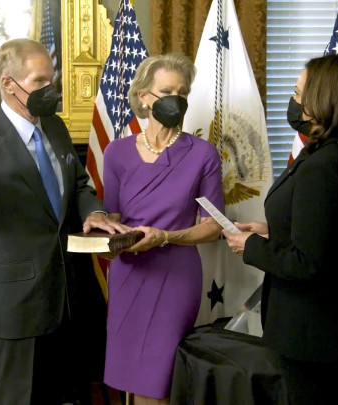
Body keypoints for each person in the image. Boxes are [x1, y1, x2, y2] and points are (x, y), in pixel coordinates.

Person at [0, 38, 128, 405]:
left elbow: (78, 184)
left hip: (65, 296)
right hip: (14, 301)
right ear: (8, 83)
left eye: (52, 80)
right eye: (39, 81)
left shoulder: (54, 126)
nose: (50, 89)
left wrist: (93, 211)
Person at [223, 54, 338, 405]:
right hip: (327, 324)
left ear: (324, 100)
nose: (293, 101)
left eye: (298, 93)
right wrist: (273, 228)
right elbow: (330, 230)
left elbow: (307, 262)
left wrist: (250, 245)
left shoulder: (324, 165)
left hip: (313, 331)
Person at [102, 53, 224, 405]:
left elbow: (213, 226)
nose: (176, 99)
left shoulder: (203, 154)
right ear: (144, 96)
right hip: (128, 274)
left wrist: (167, 237)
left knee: (159, 379)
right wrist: (110, 235)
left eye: (182, 92)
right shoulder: (116, 153)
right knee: (130, 377)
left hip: (175, 277)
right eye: (167, 91)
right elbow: (112, 217)